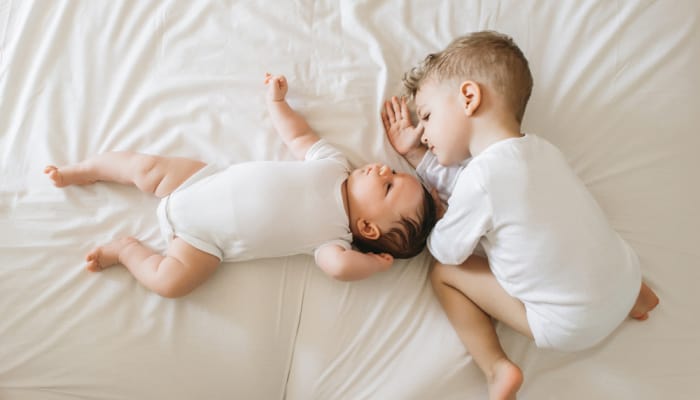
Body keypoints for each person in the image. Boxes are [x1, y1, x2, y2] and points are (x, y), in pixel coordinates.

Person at [381, 31, 659, 400]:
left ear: (468, 97)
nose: (424, 133)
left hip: (571, 323)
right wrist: (420, 157)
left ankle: (497, 368)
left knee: (443, 275)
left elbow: (448, 250)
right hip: (626, 277)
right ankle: (637, 299)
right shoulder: (543, 151)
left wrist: (441, 219)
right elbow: (471, 182)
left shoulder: (481, 181)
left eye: (428, 116)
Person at [44, 73, 436, 298]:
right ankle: (86, 169)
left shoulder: (331, 242)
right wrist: (277, 105)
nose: (385, 171)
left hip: (204, 244)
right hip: (199, 181)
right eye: (395, 172)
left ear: (367, 228)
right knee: (144, 167)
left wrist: (373, 264)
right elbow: (298, 137)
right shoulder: (334, 164)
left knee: (172, 282)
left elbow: (338, 268)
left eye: (388, 188)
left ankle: (127, 251)